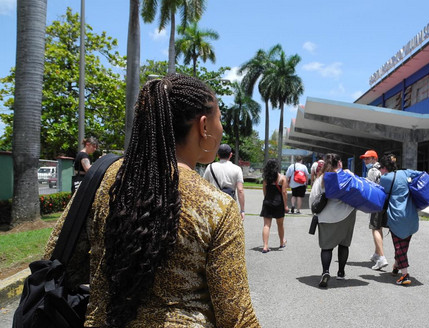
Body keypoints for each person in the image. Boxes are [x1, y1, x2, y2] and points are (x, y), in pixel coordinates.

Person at [44, 74, 260, 327]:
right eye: (220, 119)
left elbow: (58, 262)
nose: (221, 129)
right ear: (203, 126)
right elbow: (236, 316)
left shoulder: (104, 180)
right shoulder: (218, 206)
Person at [309, 153, 356, 288]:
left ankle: (325, 272)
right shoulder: (347, 176)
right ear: (339, 163)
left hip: (326, 217)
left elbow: (313, 199)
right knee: (344, 245)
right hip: (347, 215)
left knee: (326, 247)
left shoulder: (321, 179)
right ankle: (341, 272)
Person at [378, 153, 422, 286]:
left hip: (397, 215)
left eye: (381, 167)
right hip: (411, 215)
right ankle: (396, 266)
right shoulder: (405, 173)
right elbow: (421, 173)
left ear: (385, 167)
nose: (380, 170)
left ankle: (405, 275)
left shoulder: (385, 178)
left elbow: (381, 195)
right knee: (403, 245)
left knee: (399, 246)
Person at [360, 149, 388, 270]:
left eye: (368, 158)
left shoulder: (372, 170)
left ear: (374, 159)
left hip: (376, 202)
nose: (365, 160)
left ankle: (381, 257)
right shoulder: (383, 168)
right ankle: (377, 253)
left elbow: (369, 188)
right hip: (384, 201)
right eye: (365, 159)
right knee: (379, 227)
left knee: (375, 228)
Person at [203, 143, 246, 219]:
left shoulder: (210, 167)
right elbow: (240, 190)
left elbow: (203, 186)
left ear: (218, 155)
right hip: (230, 204)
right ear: (230, 155)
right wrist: (242, 210)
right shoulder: (237, 169)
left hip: (214, 203)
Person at [259, 159, 289, 253]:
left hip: (267, 201)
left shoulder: (266, 178)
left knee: (266, 225)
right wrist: (286, 205)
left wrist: (266, 198)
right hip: (278, 203)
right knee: (280, 224)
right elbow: (284, 192)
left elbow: (264, 190)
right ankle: (281, 242)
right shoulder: (282, 178)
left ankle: (265, 246)